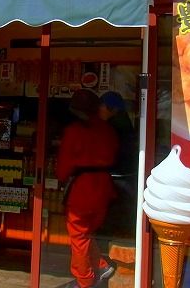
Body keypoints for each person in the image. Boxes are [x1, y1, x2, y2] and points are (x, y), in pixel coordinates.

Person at [56, 89, 119, 288]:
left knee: (79, 236)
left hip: (82, 189)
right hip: (104, 188)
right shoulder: (108, 130)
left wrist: (61, 179)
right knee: (86, 233)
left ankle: (84, 281)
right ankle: (101, 265)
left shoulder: (74, 130)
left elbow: (63, 167)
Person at [98, 91, 138, 237]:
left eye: (101, 106)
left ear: (112, 109)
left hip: (118, 177)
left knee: (114, 217)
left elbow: (110, 153)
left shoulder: (112, 127)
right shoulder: (124, 124)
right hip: (126, 176)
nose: (98, 110)